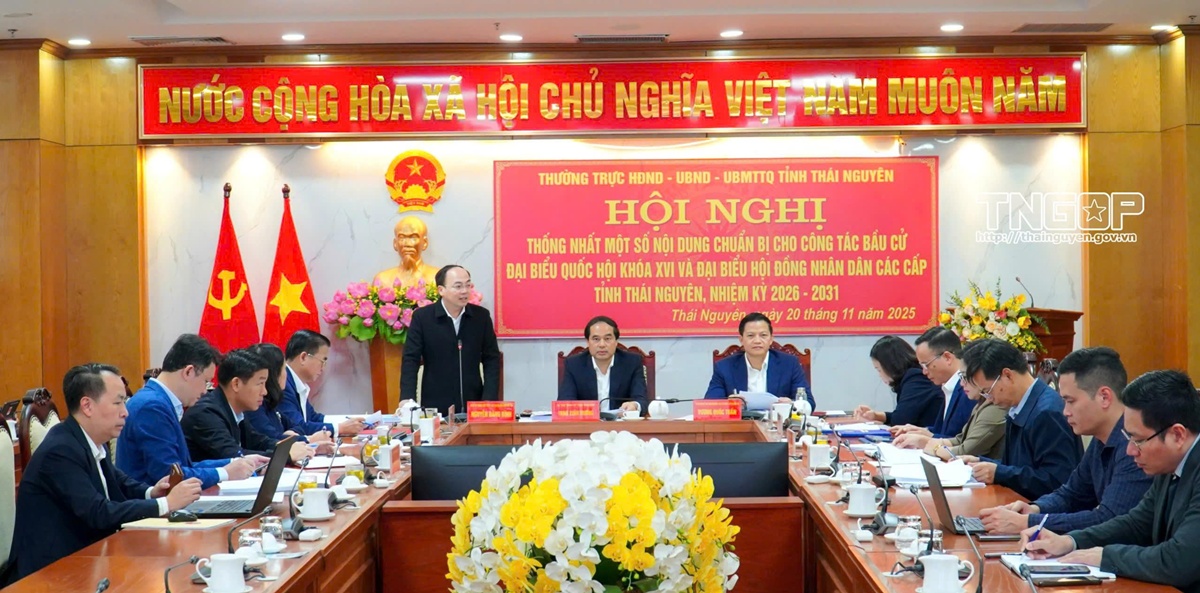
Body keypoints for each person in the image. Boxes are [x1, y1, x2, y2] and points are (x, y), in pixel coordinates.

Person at [7, 364, 202, 582]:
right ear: (87, 406)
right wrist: (166, 504)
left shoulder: (89, 440)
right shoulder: (60, 451)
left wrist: (152, 492)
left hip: (89, 559)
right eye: (118, 402)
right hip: (50, 574)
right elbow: (98, 513)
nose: (125, 412)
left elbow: (118, 482)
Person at [1022, 370, 1200, 593]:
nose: (1130, 450)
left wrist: (1105, 556)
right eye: (1128, 438)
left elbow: (1179, 561)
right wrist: (1070, 541)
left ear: (1178, 435)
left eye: (1138, 440)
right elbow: (1137, 522)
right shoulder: (1169, 461)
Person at [978, 347, 1151, 534]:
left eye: (1071, 401)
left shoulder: (1134, 446)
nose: (1065, 411)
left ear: (1104, 397)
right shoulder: (1100, 439)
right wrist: (1035, 508)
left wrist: (1029, 522)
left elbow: (1109, 519)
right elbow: (1071, 494)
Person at [118, 334, 267, 489]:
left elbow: (184, 466)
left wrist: (235, 463)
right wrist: (225, 473)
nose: (205, 391)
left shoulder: (159, 401)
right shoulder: (151, 406)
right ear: (188, 372)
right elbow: (170, 475)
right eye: (206, 381)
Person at [957, 339, 1082, 500]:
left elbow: (1057, 480)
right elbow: (1019, 465)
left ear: (1007, 375)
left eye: (988, 391)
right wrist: (980, 462)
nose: (989, 398)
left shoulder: (1047, 413)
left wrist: (999, 473)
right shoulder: (1019, 405)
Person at [401, 265, 502, 416]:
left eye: (468, 285)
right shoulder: (423, 318)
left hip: (474, 403)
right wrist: (407, 399)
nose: (465, 291)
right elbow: (410, 359)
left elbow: (491, 358)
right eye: (458, 286)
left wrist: (489, 399)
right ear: (441, 290)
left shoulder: (481, 317)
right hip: (435, 405)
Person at [182, 348, 313, 464]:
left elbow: (258, 441)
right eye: (260, 383)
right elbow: (234, 455)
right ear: (236, 384)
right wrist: (285, 455)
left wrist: (289, 446)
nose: (264, 391)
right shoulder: (206, 413)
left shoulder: (235, 410)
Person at [704, 312, 814, 410]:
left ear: (771, 339)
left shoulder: (789, 364)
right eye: (751, 336)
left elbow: (808, 402)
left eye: (763, 335)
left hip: (778, 423)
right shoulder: (724, 367)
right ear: (741, 340)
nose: (757, 341)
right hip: (740, 424)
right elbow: (710, 405)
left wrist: (792, 405)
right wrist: (729, 404)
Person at [890, 327, 977, 444]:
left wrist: (927, 439)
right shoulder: (948, 386)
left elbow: (963, 441)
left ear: (947, 357)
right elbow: (944, 431)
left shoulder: (969, 389)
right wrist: (922, 431)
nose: (924, 372)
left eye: (926, 365)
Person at [244, 343, 335, 451]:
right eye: (284, 369)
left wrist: (290, 435)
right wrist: (308, 440)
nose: (286, 374)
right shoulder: (254, 406)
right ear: (274, 374)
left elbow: (297, 427)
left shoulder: (270, 402)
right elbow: (271, 439)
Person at [279, 330, 365, 437]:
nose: (323, 368)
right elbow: (298, 426)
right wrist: (340, 428)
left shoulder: (294, 381)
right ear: (303, 357)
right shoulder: (283, 384)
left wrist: (350, 422)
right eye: (323, 361)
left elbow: (314, 418)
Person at [558, 316, 647, 414]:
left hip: (622, 422)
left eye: (607, 339)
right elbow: (565, 403)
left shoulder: (632, 362)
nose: (602, 345)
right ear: (588, 342)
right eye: (596, 339)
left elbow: (642, 400)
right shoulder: (574, 365)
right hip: (587, 423)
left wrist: (635, 405)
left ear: (616, 341)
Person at [853, 335, 943, 427]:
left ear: (890, 365)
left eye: (879, 369)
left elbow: (900, 421)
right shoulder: (911, 377)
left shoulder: (916, 378)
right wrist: (876, 415)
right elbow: (902, 415)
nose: (879, 375)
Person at [919, 369, 1007, 460]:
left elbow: (967, 451)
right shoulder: (982, 403)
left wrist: (936, 449)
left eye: (966, 377)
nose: (961, 383)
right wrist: (932, 441)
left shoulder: (995, 409)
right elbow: (961, 438)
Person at [372, 216, 439, 289]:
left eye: (413, 237)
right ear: (395, 243)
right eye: (402, 237)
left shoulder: (437, 277)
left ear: (425, 243)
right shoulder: (382, 280)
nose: (407, 244)